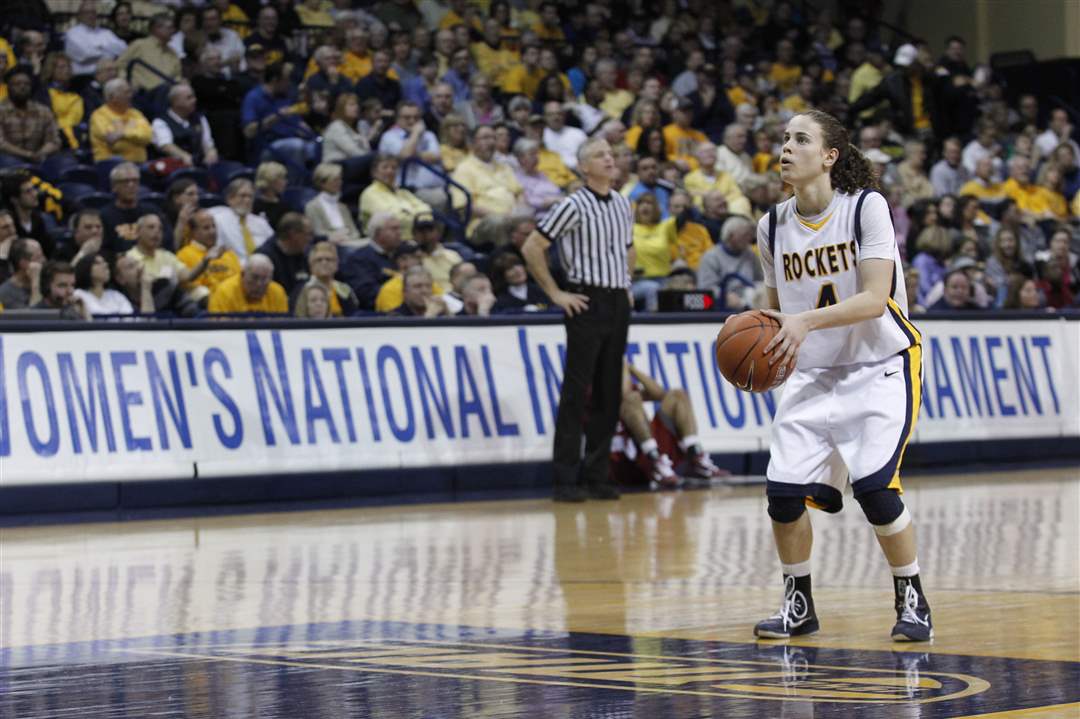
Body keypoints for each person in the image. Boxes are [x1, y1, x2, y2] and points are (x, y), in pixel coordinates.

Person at [753, 109, 932, 642]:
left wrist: (804, 322)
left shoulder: (865, 207)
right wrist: (766, 352)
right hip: (814, 373)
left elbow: (876, 299)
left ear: (830, 155)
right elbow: (777, 315)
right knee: (783, 495)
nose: (787, 148)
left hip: (880, 364)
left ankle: (911, 598)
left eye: (800, 139)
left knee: (876, 490)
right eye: (784, 139)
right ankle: (799, 605)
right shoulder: (771, 226)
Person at [522, 137, 635, 502]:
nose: (609, 159)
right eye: (600, 155)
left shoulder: (623, 203)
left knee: (609, 391)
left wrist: (626, 283)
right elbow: (532, 246)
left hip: (617, 300)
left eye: (611, 154)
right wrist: (555, 293)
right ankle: (565, 478)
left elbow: (628, 249)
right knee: (576, 392)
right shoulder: (572, 204)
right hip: (585, 300)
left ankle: (597, 475)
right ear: (584, 167)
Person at [610, 362, 730, 489]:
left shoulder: (630, 389)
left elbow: (659, 393)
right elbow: (624, 395)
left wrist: (631, 368)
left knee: (677, 396)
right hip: (623, 463)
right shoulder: (601, 389)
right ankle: (654, 461)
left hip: (645, 453)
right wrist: (621, 366)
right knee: (631, 399)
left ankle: (694, 457)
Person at [0, 66, 62, 165]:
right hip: (8, 158)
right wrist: (27, 154)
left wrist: (40, 153)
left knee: (63, 161)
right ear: (9, 87)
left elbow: (54, 141)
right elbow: (1, 143)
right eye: (17, 84)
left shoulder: (43, 111)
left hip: (38, 157)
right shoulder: (1, 110)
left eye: (26, 84)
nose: (22, 87)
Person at [151, 83, 219, 166]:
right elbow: (166, 146)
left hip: (201, 164)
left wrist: (211, 153)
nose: (194, 100)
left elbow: (207, 143)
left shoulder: (199, 118)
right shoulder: (160, 122)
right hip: (174, 167)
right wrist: (184, 156)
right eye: (189, 98)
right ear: (175, 102)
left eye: (194, 96)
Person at [208, 178, 273, 260]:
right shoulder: (218, 220)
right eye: (243, 196)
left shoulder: (261, 222)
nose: (247, 200)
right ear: (230, 199)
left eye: (250, 196)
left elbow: (273, 246)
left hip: (263, 264)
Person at [89, 78, 152, 162]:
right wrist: (131, 129)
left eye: (130, 92)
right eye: (126, 93)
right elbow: (115, 144)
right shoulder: (99, 115)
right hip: (110, 163)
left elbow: (147, 137)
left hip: (139, 163)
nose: (130, 96)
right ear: (112, 97)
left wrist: (122, 133)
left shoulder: (136, 114)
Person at [208, 253, 289, 314]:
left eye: (264, 279)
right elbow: (218, 327)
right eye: (254, 277)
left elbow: (283, 325)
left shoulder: (277, 292)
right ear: (243, 274)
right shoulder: (224, 292)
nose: (259, 284)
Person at [305, 163, 363, 246]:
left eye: (340, 179)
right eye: (335, 180)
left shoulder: (342, 207)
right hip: (329, 245)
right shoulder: (312, 206)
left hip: (349, 242)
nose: (340, 182)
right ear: (322, 183)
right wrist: (337, 236)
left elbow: (355, 232)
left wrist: (349, 238)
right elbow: (318, 232)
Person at [73, 252, 134, 317]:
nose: (105, 265)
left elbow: (130, 319)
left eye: (105, 262)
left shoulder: (117, 296)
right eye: (97, 263)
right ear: (85, 268)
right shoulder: (78, 295)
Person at [0, 238, 43, 309]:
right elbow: (34, 315)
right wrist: (36, 282)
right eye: (39, 257)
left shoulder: (46, 283)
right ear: (23, 263)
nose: (44, 260)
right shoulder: (5, 293)